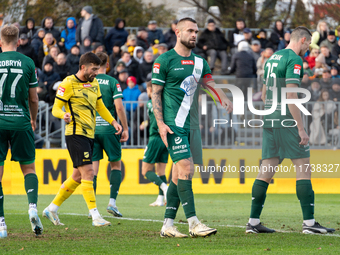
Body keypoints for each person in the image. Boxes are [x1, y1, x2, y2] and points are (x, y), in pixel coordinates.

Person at [246, 26, 335, 234]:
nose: (307, 49)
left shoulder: (273, 58)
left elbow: (265, 91)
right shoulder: (294, 60)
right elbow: (292, 96)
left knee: (266, 170)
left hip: (269, 118)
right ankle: (310, 224)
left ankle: (253, 222)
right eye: (307, 45)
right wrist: (301, 128)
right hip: (286, 119)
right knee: (303, 168)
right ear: (303, 39)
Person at [152, 17, 232, 238]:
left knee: (180, 175)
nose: (194, 35)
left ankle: (167, 225)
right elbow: (155, 93)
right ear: (177, 33)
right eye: (190, 31)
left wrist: (223, 98)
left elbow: (210, 84)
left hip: (192, 125)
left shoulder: (200, 62)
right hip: (172, 124)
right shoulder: (164, 60)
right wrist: (160, 124)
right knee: (186, 169)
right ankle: (194, 223)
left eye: (196, 31)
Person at [42, 52, 122, 227]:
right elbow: (55, 108)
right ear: (83, 67)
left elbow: (100, 106)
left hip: (89, 134)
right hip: (75, 134)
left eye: (98, 68)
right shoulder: (68, 83)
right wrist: (64, 115)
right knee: (89, 173)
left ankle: (52, 208)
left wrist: (113, 121)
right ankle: (95, 216)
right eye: (94, 69)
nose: (96, 72)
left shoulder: (94, 83)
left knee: (77, 176)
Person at [0, 24, 42, 238]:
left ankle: (1, 225)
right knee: (29, 169)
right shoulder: (28, 62)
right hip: (21, 122)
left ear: (0, 42)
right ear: (18, 42)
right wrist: (33, 119)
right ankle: (32, 207)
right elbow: (34, 98)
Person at [90, 52, 129, 217]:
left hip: (91, 130)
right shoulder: (113, 82)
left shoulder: (87, 82)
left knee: (93, 170)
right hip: (109, 129)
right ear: (107, 65)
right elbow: (119, 107)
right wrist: (125, 127)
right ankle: (112, 203)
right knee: (115, 165)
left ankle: (92, 209)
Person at [141, 81, 168, 206]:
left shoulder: (151, 103)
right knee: (161, 171)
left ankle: (165, 188)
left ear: (150, 89)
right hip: (165, 139)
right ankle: (160, 199)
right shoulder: (166, 103)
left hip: (155, 138)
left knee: (146, 171)